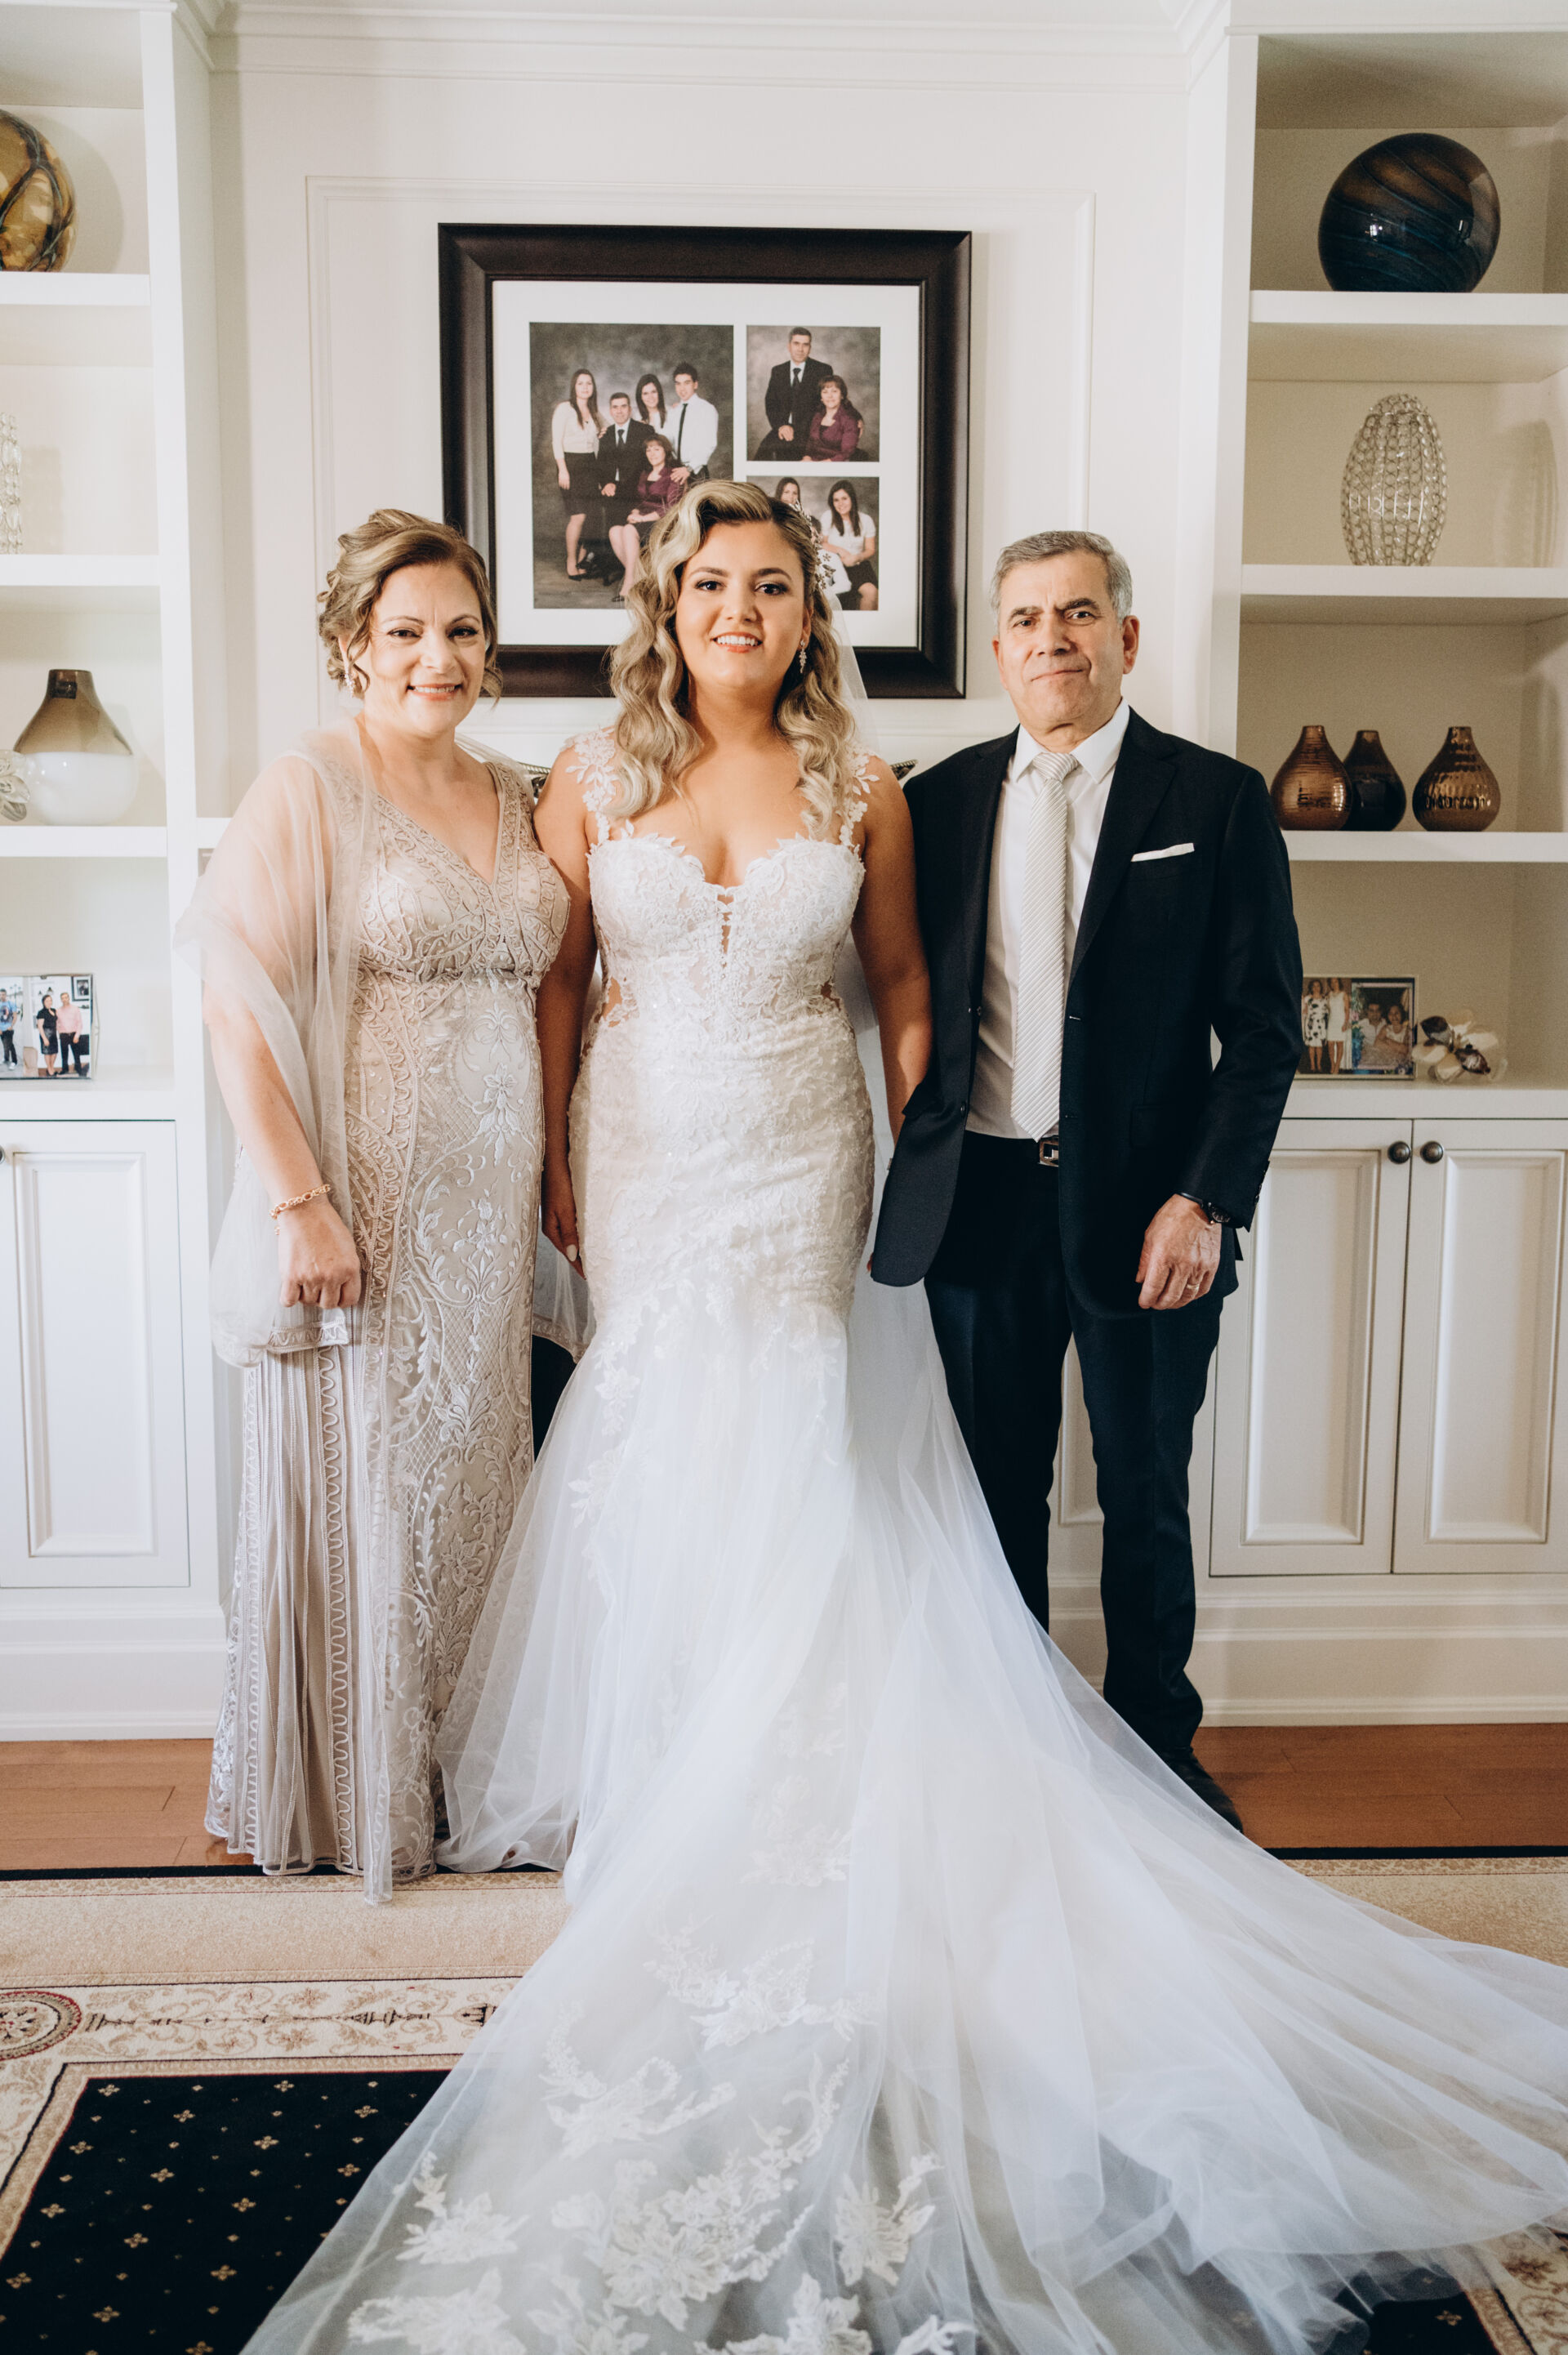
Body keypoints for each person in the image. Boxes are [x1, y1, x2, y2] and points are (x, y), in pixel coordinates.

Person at [246, 481, 1568, 2355]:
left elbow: (903, 994)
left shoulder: (866, 785)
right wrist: (551, 1158)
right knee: (651, 1431)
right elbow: (563, 979)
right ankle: (665, 1749)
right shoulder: (587, 777)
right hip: (639, 1151)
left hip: (802, 1156)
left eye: (775, 585)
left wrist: (919, 1168)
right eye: (713, 581)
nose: (741, 607)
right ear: (669, 603)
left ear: (813, 613)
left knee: (799, 1439)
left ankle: (855, 1754)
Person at [873, 529, 1301, 1831]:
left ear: (1126, 636)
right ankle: (1017, 1750)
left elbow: (1264, 1030)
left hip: (1147, 1205)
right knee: (992, 1493)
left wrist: (1205, 1199)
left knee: (1144, 1485)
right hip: (981, 1202)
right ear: (998, 647)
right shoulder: (936, 800)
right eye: (1024, 617)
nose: (1049, 637)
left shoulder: (1216, 799)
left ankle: (1156, 1751)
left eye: (1076, 612)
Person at [175, 510, 569, 1901]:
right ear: (352, 644)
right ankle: (358, 1785)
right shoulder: (311, 784)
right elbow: (236, 1002)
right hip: (372, 1203)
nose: (436, 656)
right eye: (405, 630)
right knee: (380, 1480)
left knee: (479, 1483)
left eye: (461, 629)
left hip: (494, 1213)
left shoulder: (520, 791)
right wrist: (302, 1202)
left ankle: (470, 1773)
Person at [550, 366, 606, 582]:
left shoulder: (594, 412)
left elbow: (610, 428)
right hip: (570, 466)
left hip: (591, 466)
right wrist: (563, 470)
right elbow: (556, 441)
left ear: (593, 387)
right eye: (581, 383)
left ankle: (583, 562)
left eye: (589, 383)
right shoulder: (564, 409)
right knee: (578, 516)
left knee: (591, 516)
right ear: (574, 386)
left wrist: (603, 430)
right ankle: (571, 561)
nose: (585, 387)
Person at [755, 324, 831, 458]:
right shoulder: (778, 371)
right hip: (783, 428)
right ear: (789, 346)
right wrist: (781, 426)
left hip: (811, 430)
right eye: (796, 344)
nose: (800, 349)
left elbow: (835, 399)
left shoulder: (822, 370)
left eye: (805, 345)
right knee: (762, 455)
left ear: (810, 348)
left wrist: (857, 417)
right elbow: (771, 404)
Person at [597, 392, 644, 600]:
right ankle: (637, 576)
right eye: (615, 407)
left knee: (627, 530)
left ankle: (630, 581)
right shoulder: (606, 435)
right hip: (614, 491)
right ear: (610, 411)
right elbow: (601, 465)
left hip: (638, 492)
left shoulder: (643, 431)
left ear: (630, 409)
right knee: (613, 530)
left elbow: (649, 464)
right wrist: (606, 482)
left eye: (623, 406)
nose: (619, 411)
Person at [820, 477, 877, 609]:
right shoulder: (828, 516)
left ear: (852, 499)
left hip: (858, 565)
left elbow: (870, 549)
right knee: (860, 596)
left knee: (874, 595)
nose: (840, 504)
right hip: (836, 565)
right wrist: (841, 551)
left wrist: (857, 557)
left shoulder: (866, 520)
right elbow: (822, 544)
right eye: (836, 500)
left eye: (844, 498)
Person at [666, 360, 718, 485]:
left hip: (696, 471)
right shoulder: (673, 411)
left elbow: (709, 444)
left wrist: (689, 469)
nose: (682, 389)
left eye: (687, 383)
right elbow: (669, 441)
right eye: (678, 384)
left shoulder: (707, 409)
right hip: (675, 471)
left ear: (695, 384)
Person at [626, 432, 683, 541]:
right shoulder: (645, 474)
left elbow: (672, 506)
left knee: (628, 530)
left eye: (656, 449)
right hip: (643, 518)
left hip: (663, 521)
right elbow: (640, 500)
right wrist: (635, 512)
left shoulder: (674, 474)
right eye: (648, 450)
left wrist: (643, 519)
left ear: (666, 451)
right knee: (614, 531)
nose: (652, 454)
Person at [804, 371, 863, 462]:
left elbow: (846, 453)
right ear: (821, 397)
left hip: (835, 463)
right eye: (825, 392)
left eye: (834, 391)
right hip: (813, 461)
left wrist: (824, 463)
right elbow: (810, 443)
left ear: (842, 395)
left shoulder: (849, 420)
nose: (830, 396)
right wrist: (807, 457)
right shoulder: (817, 416)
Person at [54, 986, 86, 1074]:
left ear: (69, 998)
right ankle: (65, 1069)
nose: (64, 999)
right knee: (64, 1054)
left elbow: (79, 1023)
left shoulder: (75, 1009)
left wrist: (77, 1036)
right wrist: (60, 1033)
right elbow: (57, 1023)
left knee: (76, 1054)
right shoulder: (58, 1011)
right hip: (63, 1035)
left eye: (66, 997)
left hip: (73, 1034)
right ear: (61, 1000)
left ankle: (78, 1069)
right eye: (62, 998)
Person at [1302, 977, 1328, 1073]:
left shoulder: (1325, 999)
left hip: (1321, 1024)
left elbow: (1327, 1012)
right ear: (1311, 988)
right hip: (1311, 1024)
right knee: (1312, 1046)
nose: (1316, 988)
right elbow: (1304, 1012)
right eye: (1314, 986)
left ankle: (1319, 1065)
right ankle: (1312, 1065)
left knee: (1319, 1046)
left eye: (1318, 986)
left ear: (1321, 987)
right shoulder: (1307, 999)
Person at [1326, 975, 1352, 1073]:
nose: (1334, 984)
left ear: (1339, 982)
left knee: (1339, 1044)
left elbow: (1347, 1010)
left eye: (1335, 981)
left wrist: (1345, 1023)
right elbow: (1329, 1009)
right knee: (1330, 1044)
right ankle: (1332, 1064)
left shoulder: (1344, 994)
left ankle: (1337, 1066)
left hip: (1341, 1021)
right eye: (1332, 982)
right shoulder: (1329, 994)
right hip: (1332, 1021)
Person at [635, 371, 666, 439]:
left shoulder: (671, 414)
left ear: (659, 393)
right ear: (640, 397)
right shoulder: (635, 418)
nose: (650, 397)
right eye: (645, 393)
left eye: (653, 392)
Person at [33, 989, 58, 1075]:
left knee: (54, 1053)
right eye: (47, 1001)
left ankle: (51, 1067)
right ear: (43, 1002)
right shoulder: (41, 1012)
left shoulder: (54, 1010)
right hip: (46, 1034)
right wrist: (44, 1039)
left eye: (50, 1000)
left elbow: (56, 1023)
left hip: (54, 1034)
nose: (49, 1002)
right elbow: (40, 1027)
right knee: (47, 1053)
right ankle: (50, 1069)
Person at [0, 991, 17, 1067]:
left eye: (3, 994)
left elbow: (15, 1017)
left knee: (10, 1046)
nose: (1, 996)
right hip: (1, 1029)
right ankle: (6, 1058)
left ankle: (14, 1061)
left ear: (6, 995)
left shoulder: (11, 1004)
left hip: (8, 1029)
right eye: (0, 995)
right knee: (5, 1045)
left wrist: (11, 1026)